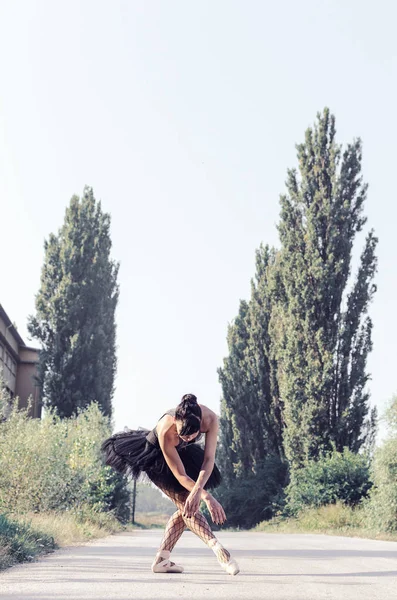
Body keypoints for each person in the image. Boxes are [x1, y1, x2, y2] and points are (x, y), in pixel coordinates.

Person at [101, 393, 239, 576]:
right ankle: (220, 551)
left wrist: (200, 490)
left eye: (191, 436)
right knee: (186, 502)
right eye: (182, 434)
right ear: (175, 420)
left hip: (184, 455)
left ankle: (161, 560)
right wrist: (205, 496)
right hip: (156, 457)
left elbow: (208, 459)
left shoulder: (211, 419)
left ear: (200, 423)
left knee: (186, 506)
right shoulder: (167, 431)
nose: (186, 439)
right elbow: (180, 475)